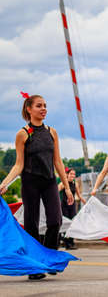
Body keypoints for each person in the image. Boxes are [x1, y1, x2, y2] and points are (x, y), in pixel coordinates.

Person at [0, 93, 74, 280]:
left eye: (45, 105)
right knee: (31, 224)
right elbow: (19, 164)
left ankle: (48, 259)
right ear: (29, 109)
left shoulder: (51, 132)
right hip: (30, 182)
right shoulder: (22, 134)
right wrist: (5, 183)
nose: (44, 109)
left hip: (49, 182)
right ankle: (36, 266)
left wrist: (66, 186)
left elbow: (57, 161)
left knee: (55, 221)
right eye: (39, 106)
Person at [58, 168, 86, 250]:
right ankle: (66, 243)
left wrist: (85, 202)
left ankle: (71, 242)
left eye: (74, 174)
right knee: (66, 224)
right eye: (71, 174)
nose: (73, 176)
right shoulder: (63, 183)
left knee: (73, 223)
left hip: (72, 206)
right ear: (67, 174)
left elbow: (79, 195)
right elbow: (55, 192)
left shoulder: (75, 184)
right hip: (64, 206)